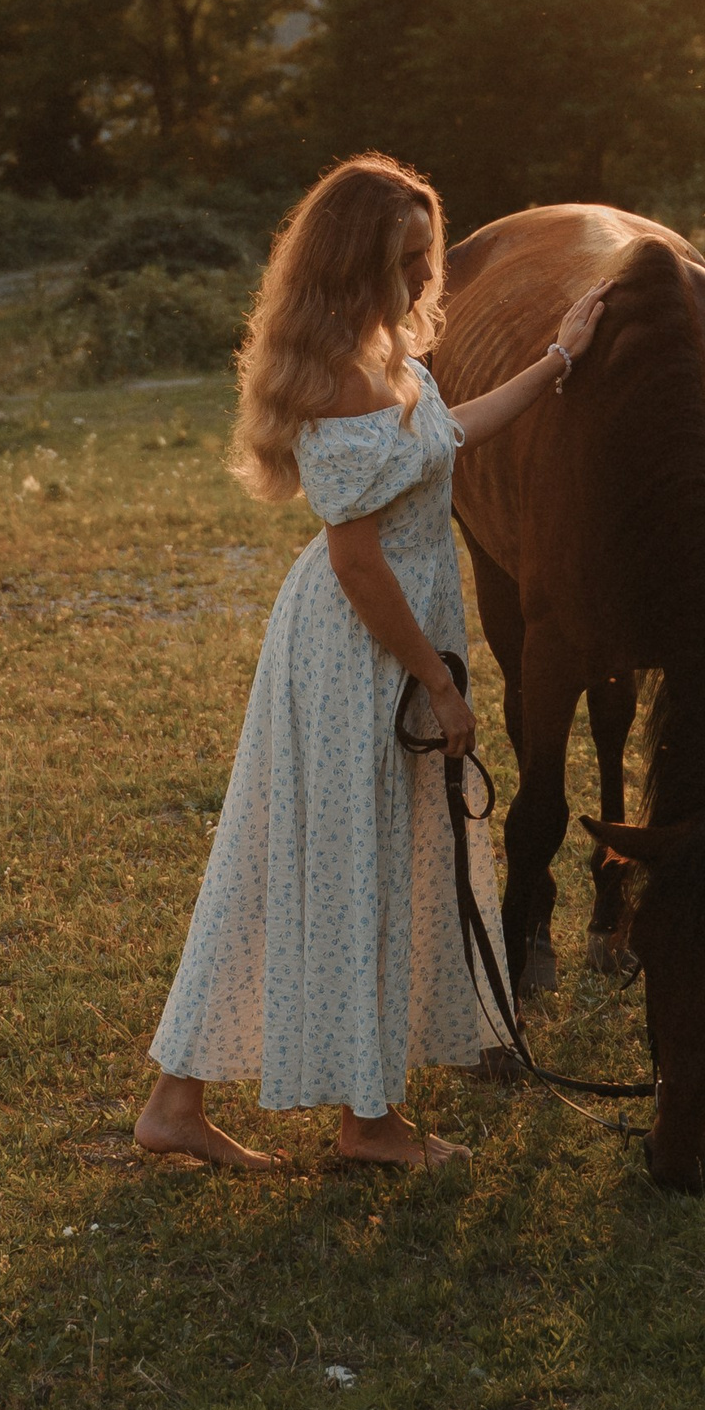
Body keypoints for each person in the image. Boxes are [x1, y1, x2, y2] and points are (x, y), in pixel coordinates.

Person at [136, 154, 611, 1171]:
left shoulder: (388, 361)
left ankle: (181, 1101)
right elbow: (356, 562)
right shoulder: (339, 378)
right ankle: (369, 1125)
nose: (418, 281)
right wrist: (438, 683)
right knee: (357, 866)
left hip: (385, 636)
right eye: (402, 262)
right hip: (362, 648)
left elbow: (446, 437)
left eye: (424, 259)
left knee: (296, 859)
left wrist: (556, 361)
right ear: (352, 264)